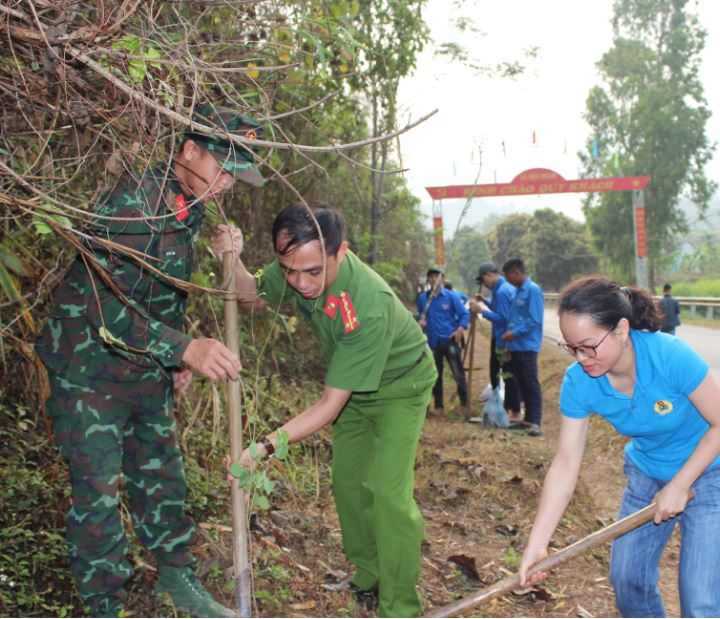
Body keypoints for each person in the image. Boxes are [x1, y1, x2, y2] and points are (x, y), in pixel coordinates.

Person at [34, 104, 265, 618]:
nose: (227, 183)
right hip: (88, 366)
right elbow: (104, 308)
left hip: (142, 364)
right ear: (189, 150)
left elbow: (158, 293)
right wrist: (185, 347)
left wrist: (171, 356)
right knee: (97, 494)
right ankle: (104, 605)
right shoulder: (134, 206)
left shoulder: (191, 201)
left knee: (161, 475)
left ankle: (179, 582)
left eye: (235, 175)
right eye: (223, 168)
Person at [212, 203, 436, 617]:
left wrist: (261, 449)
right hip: (353, 387)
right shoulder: (298, 264)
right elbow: (249, 295)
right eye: (290, 270)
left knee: (389, 494)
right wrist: (232, 256)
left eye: (313, 272)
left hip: (401, 387)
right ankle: (369, 571)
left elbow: (328, 406)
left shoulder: (367, 304)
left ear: (341, 252)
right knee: (349, 485)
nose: (300, 282)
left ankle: (400, 604)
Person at [518, 276, 720, 618]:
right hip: (649, 472)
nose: (581, 358)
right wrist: (537, 545)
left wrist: (680, 485)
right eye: (571, 347)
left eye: (588, 346)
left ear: (622, 329)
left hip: (712, 469)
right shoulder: (580, 382)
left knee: (699, 601)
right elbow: (565, 464)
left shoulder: (670, 356)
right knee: (627, 582)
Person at [468, 262, 521, 420]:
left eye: (483, 280)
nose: (484, 284)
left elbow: (503, 318)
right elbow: (500, 309)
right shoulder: (499, 290)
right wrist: (485, 301)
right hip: (500, 337)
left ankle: (512, 409)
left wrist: (482, 311)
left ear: (489, 275)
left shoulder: (503, 291)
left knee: (507, 375)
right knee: (501, 373)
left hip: (505, 339)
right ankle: (507, 407)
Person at [417, 267, 470, 416]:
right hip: (433, 342)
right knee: (436, 375)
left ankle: (465, 405)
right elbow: (421, 315)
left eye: (437, 276)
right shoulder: (423, 298)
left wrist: (460, 329)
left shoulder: (451, 296)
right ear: (428, 279)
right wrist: (422, 322)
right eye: (431, 277)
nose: (434, 279)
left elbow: (464, 315)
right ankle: (439, 407)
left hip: (450, 340)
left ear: (442, 279)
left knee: (458, 374)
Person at [501, 258, 544, 436]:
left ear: (516, 273)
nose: (508, 280)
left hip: (527, 345)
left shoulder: (532, 290)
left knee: (530, 383)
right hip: (515, 346)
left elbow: (535, 319)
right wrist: (508, 345)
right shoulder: (516, 292)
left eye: (509, 276)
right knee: (521, 384)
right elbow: (513, 320)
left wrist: (516, 333)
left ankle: (535, 422)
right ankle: (526, 421)